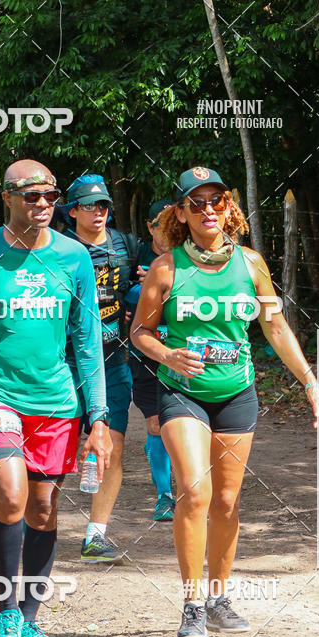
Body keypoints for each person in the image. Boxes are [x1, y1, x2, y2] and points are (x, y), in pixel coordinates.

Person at [131, 166, 319, 637]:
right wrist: (168, 354)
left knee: (225, 500)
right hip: (183, 392)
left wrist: (309, 380)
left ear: (229, 207)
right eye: (195, 203)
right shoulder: (167, 268)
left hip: (237, 393)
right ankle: (193, 604)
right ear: (181, 213)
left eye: (216, 200)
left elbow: (276, 328)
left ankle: (219, 597)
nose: (208, 210)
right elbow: (139, 333)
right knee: (195, 493)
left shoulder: (252, 265)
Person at [0, 159, 111, 637]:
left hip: (57, 402)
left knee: (43, 507)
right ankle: (6, 612)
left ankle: (32, 617)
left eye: (50, 196)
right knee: (13, 496)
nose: (42, 205)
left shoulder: (73, 258)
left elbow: (86, 344)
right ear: (8, 197)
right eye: (30, 196)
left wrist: (97, 420)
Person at [63, 174, 138, 562]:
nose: (99, 212)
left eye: (104, 205)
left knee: (116, 445)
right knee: (59, 447)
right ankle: (38, 522)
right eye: (90, 205)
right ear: (73, 210)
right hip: (64, 363)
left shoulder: (126, 245)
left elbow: (162, 264)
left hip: (113, 359)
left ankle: (96, 535)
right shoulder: (57, 249)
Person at [125, 199, 175, 521]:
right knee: (156, 423)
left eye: (174, 221)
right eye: (161, 223)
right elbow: (111, 294)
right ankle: (165, 496)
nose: (169, 229)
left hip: (184, 353)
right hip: (145, 353)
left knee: (180, 426)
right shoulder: (131, 256)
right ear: (149, 227)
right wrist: (138, 291)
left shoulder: (191, 258)